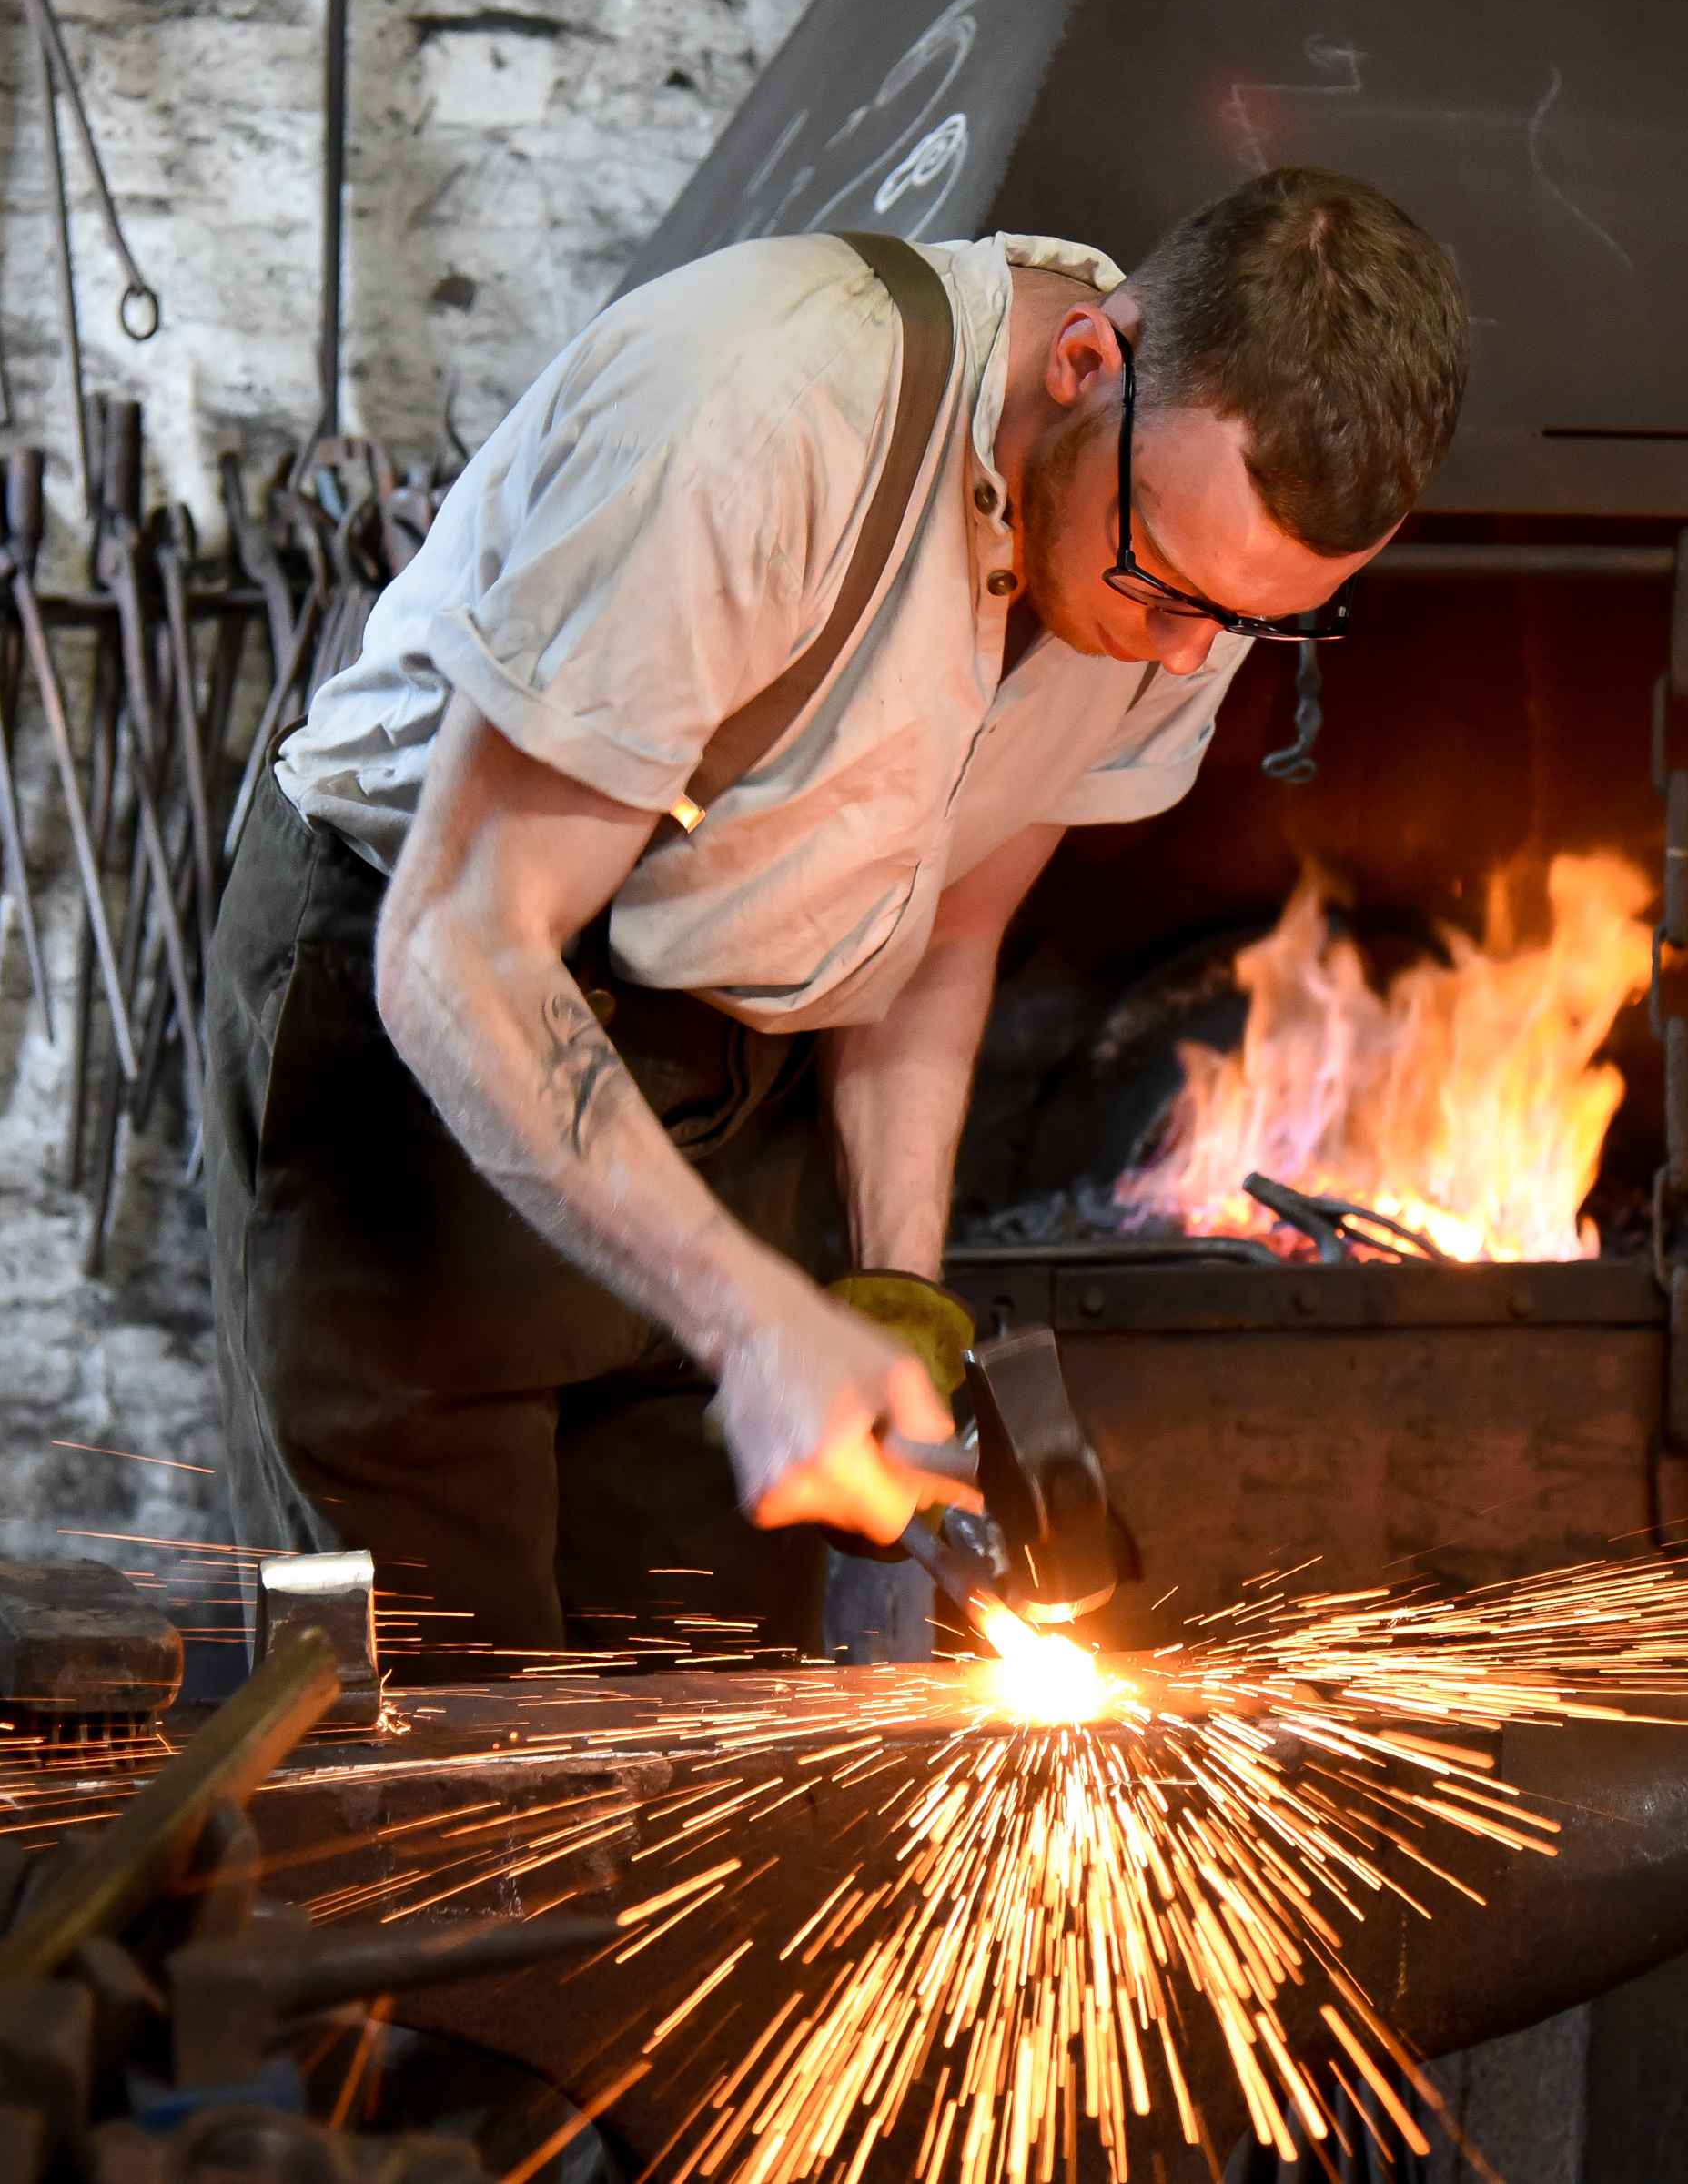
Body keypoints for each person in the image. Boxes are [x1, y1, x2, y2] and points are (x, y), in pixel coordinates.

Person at [203, 166, 1470, 1658]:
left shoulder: (1163, 567)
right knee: (444, 1742)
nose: (1190, 661)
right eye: (1167, 583)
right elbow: (459, 945)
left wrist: (888, 1297)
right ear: (1087, 363)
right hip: (427, 1050)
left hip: (731, 1076)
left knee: (704, 1726)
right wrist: (753, 1322)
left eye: (1257, 620)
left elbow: (943, 932)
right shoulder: (755, 417)